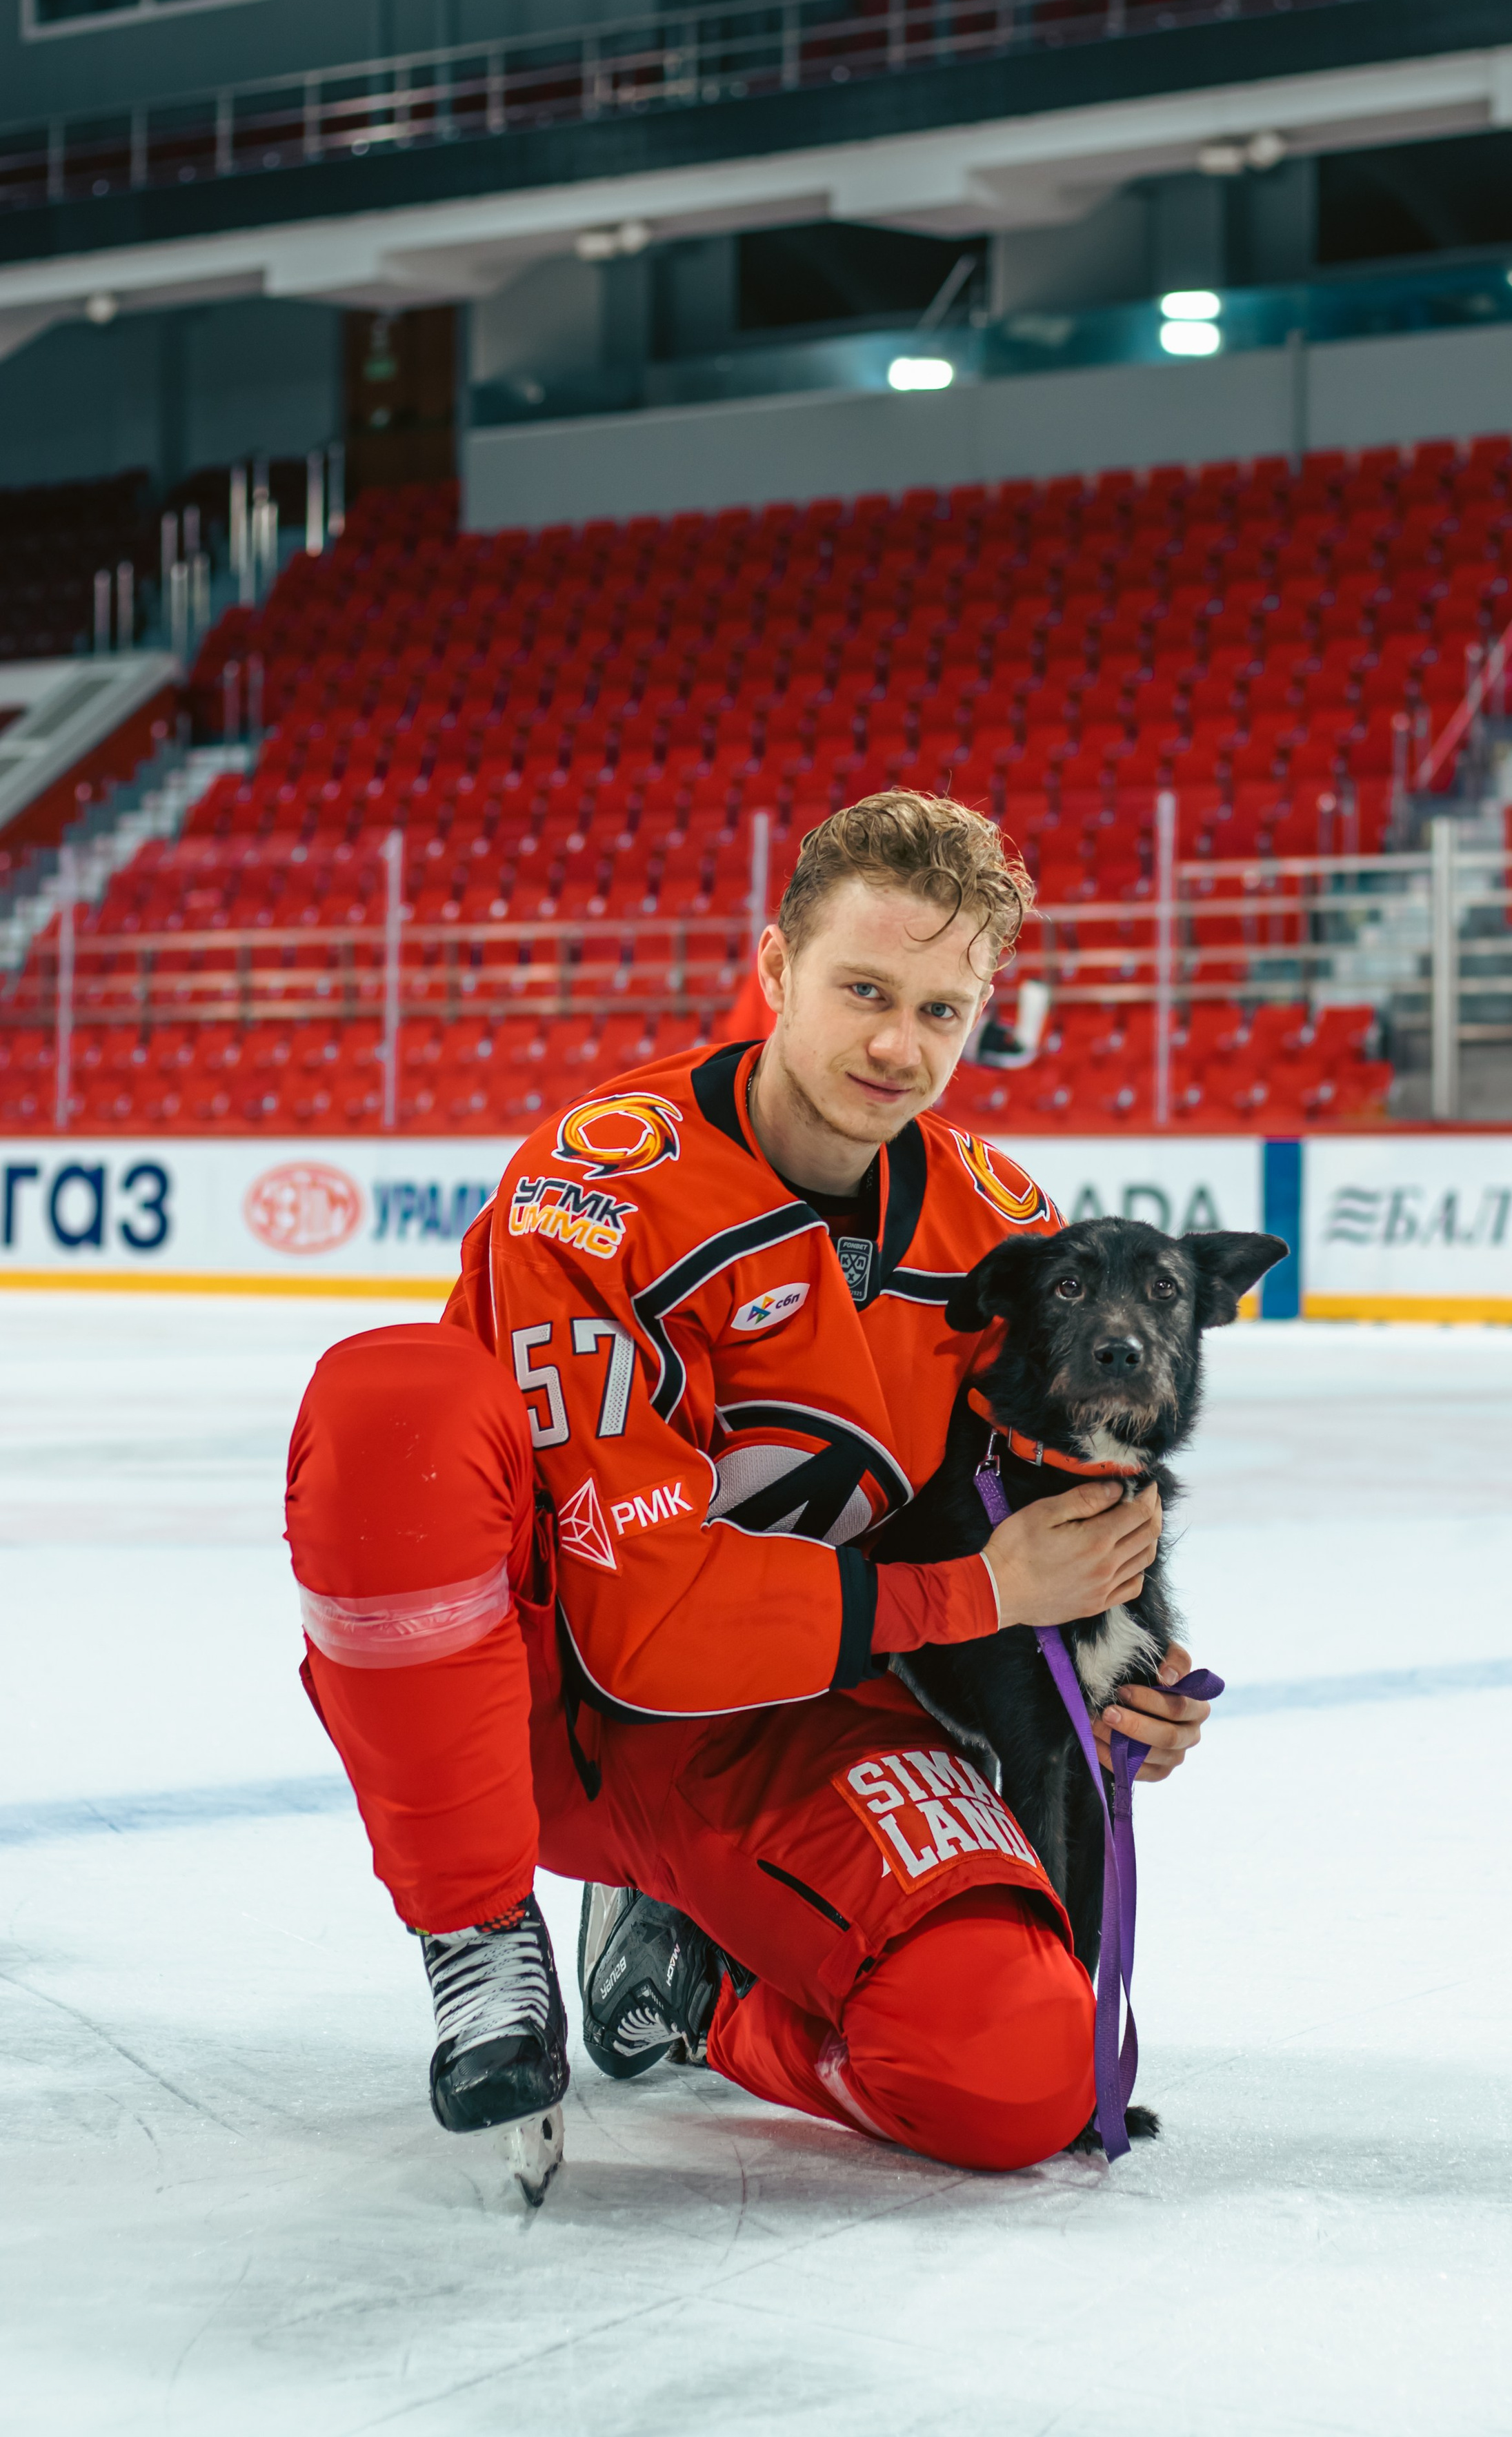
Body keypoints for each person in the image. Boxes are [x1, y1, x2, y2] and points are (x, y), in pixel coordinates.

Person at [286, 791, 1211, 2177]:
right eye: (862, 990)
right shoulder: (596, 1187)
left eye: (942, 1012)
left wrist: (1112, 1674)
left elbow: (1060, 1499)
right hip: (552, 1716)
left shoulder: (999, 1229)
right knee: (393, 1406)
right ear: (775, 969)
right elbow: (645, 1632)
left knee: (1022, 2065)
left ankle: (701, 1993)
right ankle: (479, 1938)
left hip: (798, 1731)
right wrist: (971, 1593)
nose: (898, 1046)